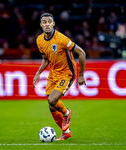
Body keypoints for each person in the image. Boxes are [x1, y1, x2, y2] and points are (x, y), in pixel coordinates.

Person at [33, 13, 86, 141]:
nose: (47, 24)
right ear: (41, 25)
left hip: (67, 73)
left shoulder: (61, 39)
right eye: (44, 22)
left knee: (52, 100)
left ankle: (67, 113)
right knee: (51, 106)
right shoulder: (39, 40)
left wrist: (81, 75)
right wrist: (38, 72)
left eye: (49, 22)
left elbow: (81, 53)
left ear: (53, 24)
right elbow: (46, 59)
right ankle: (66, 132)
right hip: (53, 73)